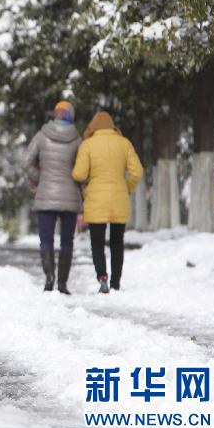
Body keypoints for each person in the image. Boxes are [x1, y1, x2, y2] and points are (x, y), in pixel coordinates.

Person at [72, 111, 143, 293]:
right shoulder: (124, 143)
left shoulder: (87, 145)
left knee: (97, 242)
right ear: (112, 126)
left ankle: (102, 278)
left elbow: (79, 174)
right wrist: (127, 187)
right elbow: (137, 172)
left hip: (96, 199)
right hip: (119, 198)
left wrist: (85, 184)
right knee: (117, 242)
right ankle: (116, 283)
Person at [23, 101, 82, 294]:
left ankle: (49, 278)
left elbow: (26, 162)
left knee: (46, 240)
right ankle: (63, 284)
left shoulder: (42, 136)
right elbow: (82, 168)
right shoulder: (77, 139)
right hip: (70, 197)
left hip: (46, 196)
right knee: (67, 241)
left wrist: (41, 178)